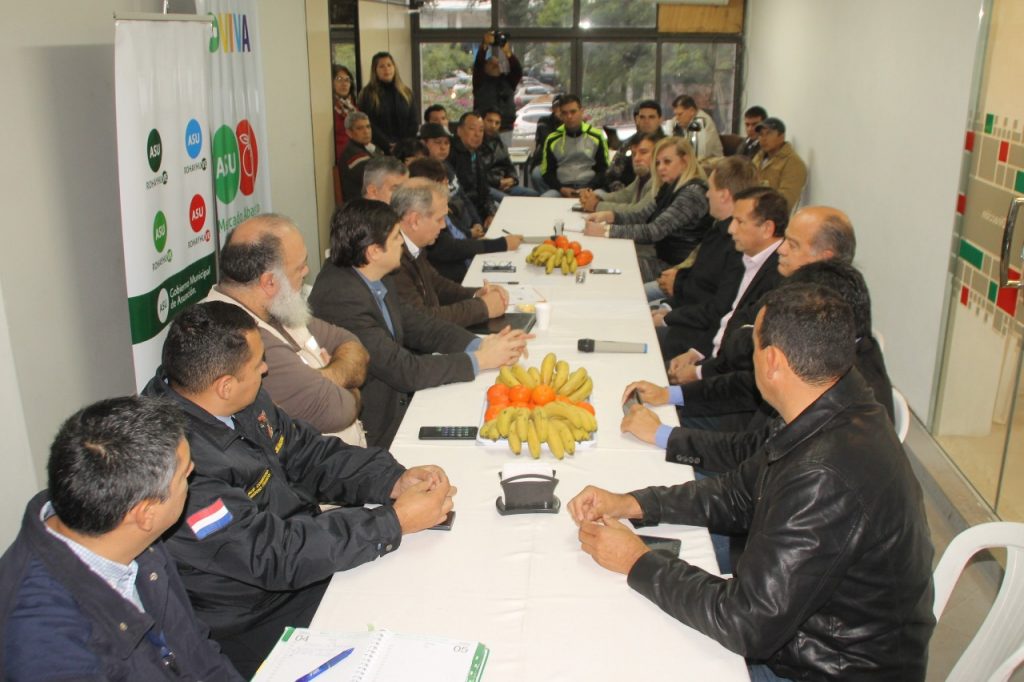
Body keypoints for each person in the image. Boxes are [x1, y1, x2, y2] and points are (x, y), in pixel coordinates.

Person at [571, 284, 935, 681]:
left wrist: (637, 560)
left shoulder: (823, 473)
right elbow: (737, 493)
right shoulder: (831, 408)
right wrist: (632, 503)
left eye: (755, 346)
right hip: (811, 638)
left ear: (773, 360)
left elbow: (746, 622)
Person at [143, 301, 456, 677]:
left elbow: (307, 453)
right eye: (257, 364)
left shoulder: (240, 399)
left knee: (427, 581)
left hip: (300, 560)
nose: (265, 368)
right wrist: (394, 522)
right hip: (256, 615)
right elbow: (271, 554)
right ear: (224, 386)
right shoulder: (177, 467)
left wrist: (390, 480)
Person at [0, 396, 244, 681]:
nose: (193, 474)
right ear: (146, 514)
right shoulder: (45, 647)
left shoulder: (123, 529)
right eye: (185, 476)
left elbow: (196, 649)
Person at [624, 260, 895, 472]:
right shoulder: (835, 357)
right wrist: (670, 394)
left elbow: (751, 459)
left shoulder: (832, 404)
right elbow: (746, 385)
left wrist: (665, 436)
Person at [308, 200, 531, 448]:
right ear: (373, 252)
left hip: (398, 401)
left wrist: (479, 345)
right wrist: (480, 360)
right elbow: (402, 370)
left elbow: (418, 324)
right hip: (376, 429)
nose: (402, 243)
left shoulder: (373, 273)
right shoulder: (341, 298)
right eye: (396, 237)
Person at [204, 213, 370, 445]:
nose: (306, 271)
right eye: (299, 267)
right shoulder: (242, 340)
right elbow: (338, 411)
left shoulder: (276, 305)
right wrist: (351, 387)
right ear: (269, 282)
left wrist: (325, 376)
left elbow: (353, 345)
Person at [659, 186, 786, 369]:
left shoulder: (778, 276)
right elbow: (726, 316)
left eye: (739, 222)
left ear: (767, 229)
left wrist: (700, 372)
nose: (731, 229)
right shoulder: (746, 257)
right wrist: (696, 353)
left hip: (723, 369)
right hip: (708, 350)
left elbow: (745, 357)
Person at [648, 157, 757, 338]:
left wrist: (669, 316)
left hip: (698, 332)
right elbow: (698, 281)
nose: (707, 194)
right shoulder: (717, 229)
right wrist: (668, 307)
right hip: (686, 311)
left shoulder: (737, 245)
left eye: (710, 188)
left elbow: (715, 307)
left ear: (724, 195)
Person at [583, 136, 711, 282]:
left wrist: (607, 231)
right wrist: (610, 216)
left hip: (676, 270)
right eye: (657, 163)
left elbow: (654, 231)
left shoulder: (692, 193)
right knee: (607, 259)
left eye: (667, 161)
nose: (660, 168)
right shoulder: (669, 187)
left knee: (611, 267)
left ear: (685, 161)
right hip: (662, 259)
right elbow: (642, 216)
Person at [390, 178, 509, 327]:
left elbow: (436, 284)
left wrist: (476, 294)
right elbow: (422, 320)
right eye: (439, 219)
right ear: (414, 221)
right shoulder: (392, 260)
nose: (444, 226)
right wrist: (483, 307)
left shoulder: (411, 245)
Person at [408, 158, 523, 283]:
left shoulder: (442, 208)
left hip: (468, 265)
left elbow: (460, 235)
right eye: (441, 182)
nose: (447, 184)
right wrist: (501, 244)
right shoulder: (428, 223)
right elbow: (452, 248)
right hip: (460, 276)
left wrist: (474, 235)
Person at [539, 95, 610, 198]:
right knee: (544, 199)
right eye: (565, 113)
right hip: (562, 189)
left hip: (591, 188)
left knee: (603, 199)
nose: (569, 117)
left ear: (581, 111)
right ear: (560, 115)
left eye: (573, 112)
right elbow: (547, 172)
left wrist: (590, 187)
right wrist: (561, 188)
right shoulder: (552, 139)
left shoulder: (597, 136)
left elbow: (604, 170)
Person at [579, 132, 658, 213]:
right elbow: (624, 195)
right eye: (634, 154)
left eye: (643, 152)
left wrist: (596, 205)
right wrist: (597, 197)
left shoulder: (660, 180)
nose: (636, 158)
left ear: (658, 154)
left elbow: (638, 211)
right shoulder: (642, 177)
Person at [357, 51, 418, 152]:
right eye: (382, 66)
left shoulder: (406, 92)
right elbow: (369, 123)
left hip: (406, 148)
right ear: (375, 70)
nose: (386, 69)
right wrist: (387, 144)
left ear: (394, 67)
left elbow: (413, 122)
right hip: (379, 148)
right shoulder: (367, 94)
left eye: (389, 65)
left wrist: (402, 144)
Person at [602, 99, 666, 191]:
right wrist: (623, 192)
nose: (646, 121)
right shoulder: (628, 145)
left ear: (660, 120)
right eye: (642, 117)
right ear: (637, 120)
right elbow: (611, 175)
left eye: (651, 117)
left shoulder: (668, 145)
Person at [472, 31, 522, 147]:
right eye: (491, 64)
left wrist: (507, 52)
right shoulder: (480, 81)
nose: (495, 65)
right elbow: (478, 65)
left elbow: (517, 71)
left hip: (505, 128)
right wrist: (484, 45)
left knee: (502, 155)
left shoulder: (508, 81)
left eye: (497, 64)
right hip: (483, 129)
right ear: (485, 68)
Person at [751, 117, 807, 212]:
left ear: (781, 136)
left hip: (770, 215)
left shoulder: (793, 163)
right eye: (761, 134)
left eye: (769, 133)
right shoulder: (759, 157)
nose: (763, 138)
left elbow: (785, 202)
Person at [449, 112, 497, 224]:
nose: (477, 134)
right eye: (472, 129)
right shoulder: (451, 156)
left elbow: (485, 190)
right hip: (466, 216)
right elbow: (461, 197)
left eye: (481, 130)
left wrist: (490, 213)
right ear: (459, 131)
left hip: (480, 211)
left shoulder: (476, 153)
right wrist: (477, 222)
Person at [480, 106, 538, 199]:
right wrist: (498, 182)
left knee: (533, 195)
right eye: (489, 121)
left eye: (497, 123)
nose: (493, 125)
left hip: (504, 185)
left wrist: (512, 180)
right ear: (482, 121)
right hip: (487, 187)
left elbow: (510, 167)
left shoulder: (500, 144)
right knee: (507, 200)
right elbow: (478, 173)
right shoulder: (476, 142)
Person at [338, 111, 382, 203]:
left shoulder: (369, 146)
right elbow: (377, 177)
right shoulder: (353, 154)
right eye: (359, 128)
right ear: (349, 132)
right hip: (361, 205)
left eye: (368, 127)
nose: (366, 132)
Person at [667, 94, 723, 159]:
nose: (677, 118)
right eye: (675, 114)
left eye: (680, 114)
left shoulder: (701, 122)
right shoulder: (679, 120)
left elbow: (699, 153)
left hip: (710, 161)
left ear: (692, 111)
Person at [333, 64, 359, 162]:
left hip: (358, 152)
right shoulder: (328, 109)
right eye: (339, 79)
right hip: (341, 157)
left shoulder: (353, 107)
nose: (344, 84)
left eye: (347, 80)